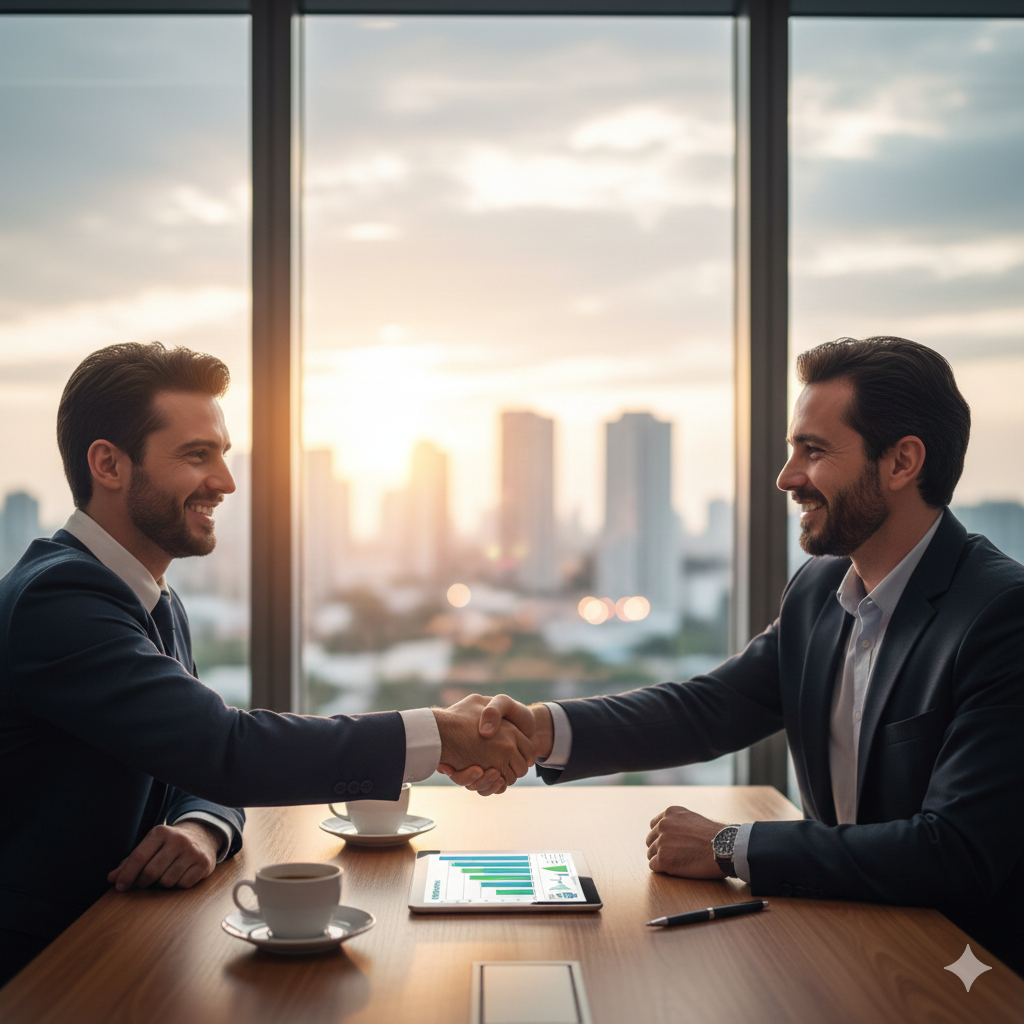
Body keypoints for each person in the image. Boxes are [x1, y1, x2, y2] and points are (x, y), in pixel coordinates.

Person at [445, 337, 1024, 975]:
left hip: (964, 973)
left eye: (814, 450)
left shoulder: (1000, 616)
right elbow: (712, 707)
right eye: (791, 450)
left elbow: (956, 853)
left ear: (903, 461)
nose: (787, 477)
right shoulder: (818, 591)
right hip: (843, 941)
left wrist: (728, 845)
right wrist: (544, 727)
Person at [0, 342, 534, 986]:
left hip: (125, 943)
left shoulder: (148, 598)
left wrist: (202, 826)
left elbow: (190, 756)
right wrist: (435, 733)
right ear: (108, 464)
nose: (225, 481)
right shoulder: (59, 602)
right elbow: (224, 749)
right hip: (42, 968)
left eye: (222, 454)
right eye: (197, 455)